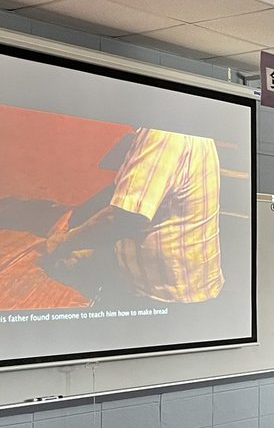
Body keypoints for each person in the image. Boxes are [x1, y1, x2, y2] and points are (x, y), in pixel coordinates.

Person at [43, 127, 224, 304]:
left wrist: (63, 243)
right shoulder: (187, 128)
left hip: (162, 299)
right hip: (188, 290)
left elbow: (124, 218)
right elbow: (122, 192)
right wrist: (73, 216)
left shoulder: (162, 133)